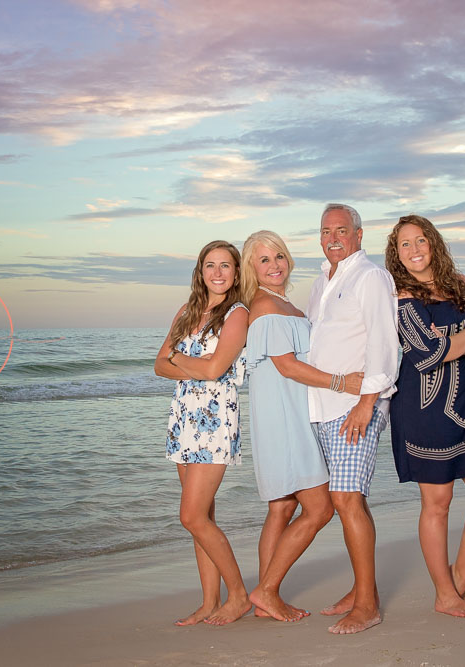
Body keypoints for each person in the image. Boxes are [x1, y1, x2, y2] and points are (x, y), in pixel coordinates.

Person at [384, 215, 465, 618]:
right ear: (396, 254)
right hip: (425, 409)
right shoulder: (401, 297)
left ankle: (459, 578)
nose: (414, 249)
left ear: (433, 243)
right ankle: (444, 594)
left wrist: (462, 338)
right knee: (438, 503)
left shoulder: (460, 282)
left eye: (420, 240)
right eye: (405, 244)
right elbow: (426, 355)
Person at [239, 230, 364, 622]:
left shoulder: (282, 303)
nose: (274, 264)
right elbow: (287, 366)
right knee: (320, 509)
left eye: (278, 256)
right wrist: (343, 382)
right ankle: (267, 590)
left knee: (282, 507)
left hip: (288, 413)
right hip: (286, 419)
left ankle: (265, 601)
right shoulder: (266, 306)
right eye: (264, 260)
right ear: (252, 268)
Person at [306, 203, 400, 634]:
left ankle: (367, 606)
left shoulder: (371, 277)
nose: (333, 238)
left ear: (359, 235)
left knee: (345, 499)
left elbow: (384, 342)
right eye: (326, 231)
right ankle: (365, 589)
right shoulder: (321, 281)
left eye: (342, 230)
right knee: (352, 500)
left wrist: (367, 402)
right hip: (322, 407)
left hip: (355, 407)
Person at [154, 240, 251, 626]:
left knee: (191, 516)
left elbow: (215, 371)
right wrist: (186, 361)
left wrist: (178, 358)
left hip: (214, 423)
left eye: (225, 266)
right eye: (210, 265)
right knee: (204, 515)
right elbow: (158, 365)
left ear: (236, 272)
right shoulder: (187, 309)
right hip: (183, 421)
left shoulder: (238, 314)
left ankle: (239, 595)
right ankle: (210, 601)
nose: (217, 273)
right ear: (200, 271)